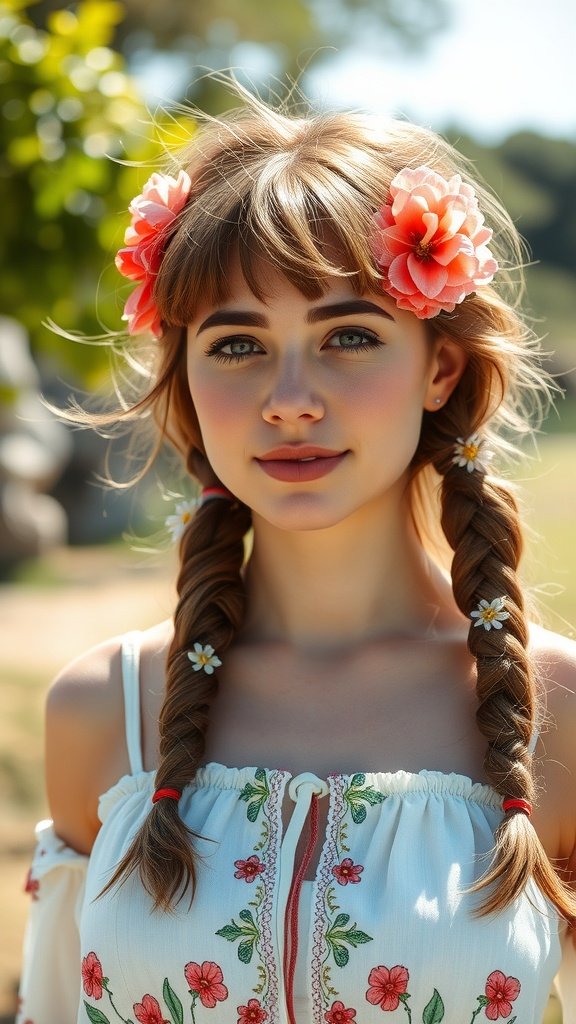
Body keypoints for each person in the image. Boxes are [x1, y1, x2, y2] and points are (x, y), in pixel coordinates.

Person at [17, 80, 576, 1024]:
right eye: (236, 345)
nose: (289, 399)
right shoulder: (100, 712)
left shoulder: (557, 715)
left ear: (439, 367)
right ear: (190, 382)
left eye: (348, 336)